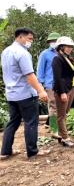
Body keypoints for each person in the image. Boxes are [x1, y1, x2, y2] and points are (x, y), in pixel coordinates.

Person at [0, 27, 49, 160]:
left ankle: (5, 151)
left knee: (13, 122)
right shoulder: (22, 53)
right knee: (31, 122)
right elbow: (29, 75)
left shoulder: (6, 52)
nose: (31, 42)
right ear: (20, 37)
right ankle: (32, 152)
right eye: (29, 39)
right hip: (25, 94)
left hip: (11, 94)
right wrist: (40, 90)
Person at [37, 32, 60, 136]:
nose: (53, 43)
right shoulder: (45, 54)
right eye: (51, 41)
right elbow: (40, 71)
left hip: (62, 85)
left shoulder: (62, 53)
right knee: (53, 106)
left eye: (55, 41)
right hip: (50, 84)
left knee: (60, 107)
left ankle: (57, 127)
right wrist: (40, 87)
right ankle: (54, 130)